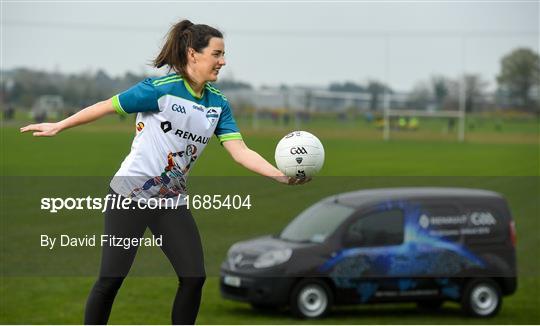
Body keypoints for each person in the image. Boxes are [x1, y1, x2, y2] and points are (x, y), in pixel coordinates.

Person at [20, 20, 308, 325]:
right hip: (128, 197)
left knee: (194, 277)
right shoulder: (159, 89)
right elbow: (107, 105)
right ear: (193, 54)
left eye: (224, 55)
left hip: (171, 204)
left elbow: (240, 151)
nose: (223, 61)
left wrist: (280, 175)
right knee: (111, 279)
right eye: (217, 54)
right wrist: (59, 125)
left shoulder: (219, 104)